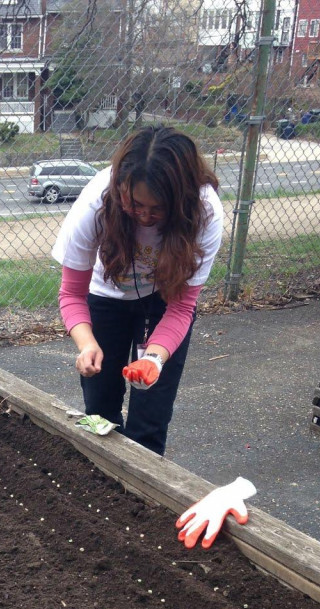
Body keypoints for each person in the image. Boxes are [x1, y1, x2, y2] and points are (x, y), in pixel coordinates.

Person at [52, 125, 224, 456]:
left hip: (164, 300)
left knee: (151, 419)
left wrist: (155, 359)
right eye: (135, 204)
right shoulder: (96, 201)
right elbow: (72, 293)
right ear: (120, 189)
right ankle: (101, 480)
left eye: (157, 208)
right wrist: (87, 344)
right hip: (104, 297)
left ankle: (142, 500)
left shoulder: (205, 211)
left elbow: (182, 307)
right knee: (99, 411)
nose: (144, 215)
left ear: (180, 201)